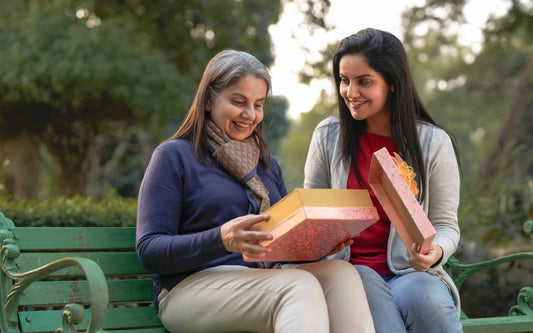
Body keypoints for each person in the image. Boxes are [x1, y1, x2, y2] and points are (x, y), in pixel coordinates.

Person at [136, 49, 375, 333]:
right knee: (298, 286)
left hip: (263, 280)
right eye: (239, 102)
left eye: (258, 104)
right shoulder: (174, 156)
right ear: (209, 99)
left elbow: (281, 245)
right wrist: (220, 240)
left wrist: (319, 245)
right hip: (190, 288)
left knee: (341, 273)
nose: (250, 115)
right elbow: (150, 249)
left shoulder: (265, 165)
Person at [304, 28, 463, 333]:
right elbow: (314, 214)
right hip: (348, 270)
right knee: (365, 294)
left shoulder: (433, 143)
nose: (351, 92)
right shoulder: (327, 136)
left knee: (427, 300)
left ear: (391, 83)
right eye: (344, 80)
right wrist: (324, 236)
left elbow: (446, 225)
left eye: (364, 81)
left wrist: (436, 252)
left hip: (411, 272)